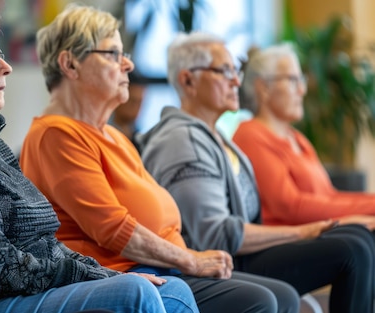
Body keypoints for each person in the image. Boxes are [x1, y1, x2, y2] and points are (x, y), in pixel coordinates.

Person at [0, 1, 198, 312]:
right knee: (136, 292)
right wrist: (98, 276)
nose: (5, 67)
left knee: (173, 291)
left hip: (28, 291)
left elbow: (47, 244)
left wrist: (104, 275)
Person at [19, 5, 300, 313]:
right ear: (70, 64)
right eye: (113, 54)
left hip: (163, 267)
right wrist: (192, 259)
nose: (127, 64)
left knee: (281, 295)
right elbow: (114, 229)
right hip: (126, 274)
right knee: (260, 301)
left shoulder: (116, 138)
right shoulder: (57, 135)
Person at [136, 31, 375, 313]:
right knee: (352, 250)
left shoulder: (217, 138)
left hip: (241, 252)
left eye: (235, 70)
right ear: (188, 80)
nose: (237, 80)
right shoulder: (182, 140)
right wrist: (299, 233)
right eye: (224, 71)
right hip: (221, 259)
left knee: (358, 240)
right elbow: (213, 236)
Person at [232, 44, 375, 228]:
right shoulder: (250, 134)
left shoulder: (298, 139)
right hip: (287, 244)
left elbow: (329, 197)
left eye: (302, 80)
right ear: (263, 87)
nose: (302, 90)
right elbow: (291, 206)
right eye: (293, 80)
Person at [108, 71, 148, 145]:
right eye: (132, 101)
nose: (135, 107)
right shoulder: (104, 135)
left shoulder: (141, 142)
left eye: (139, 102)